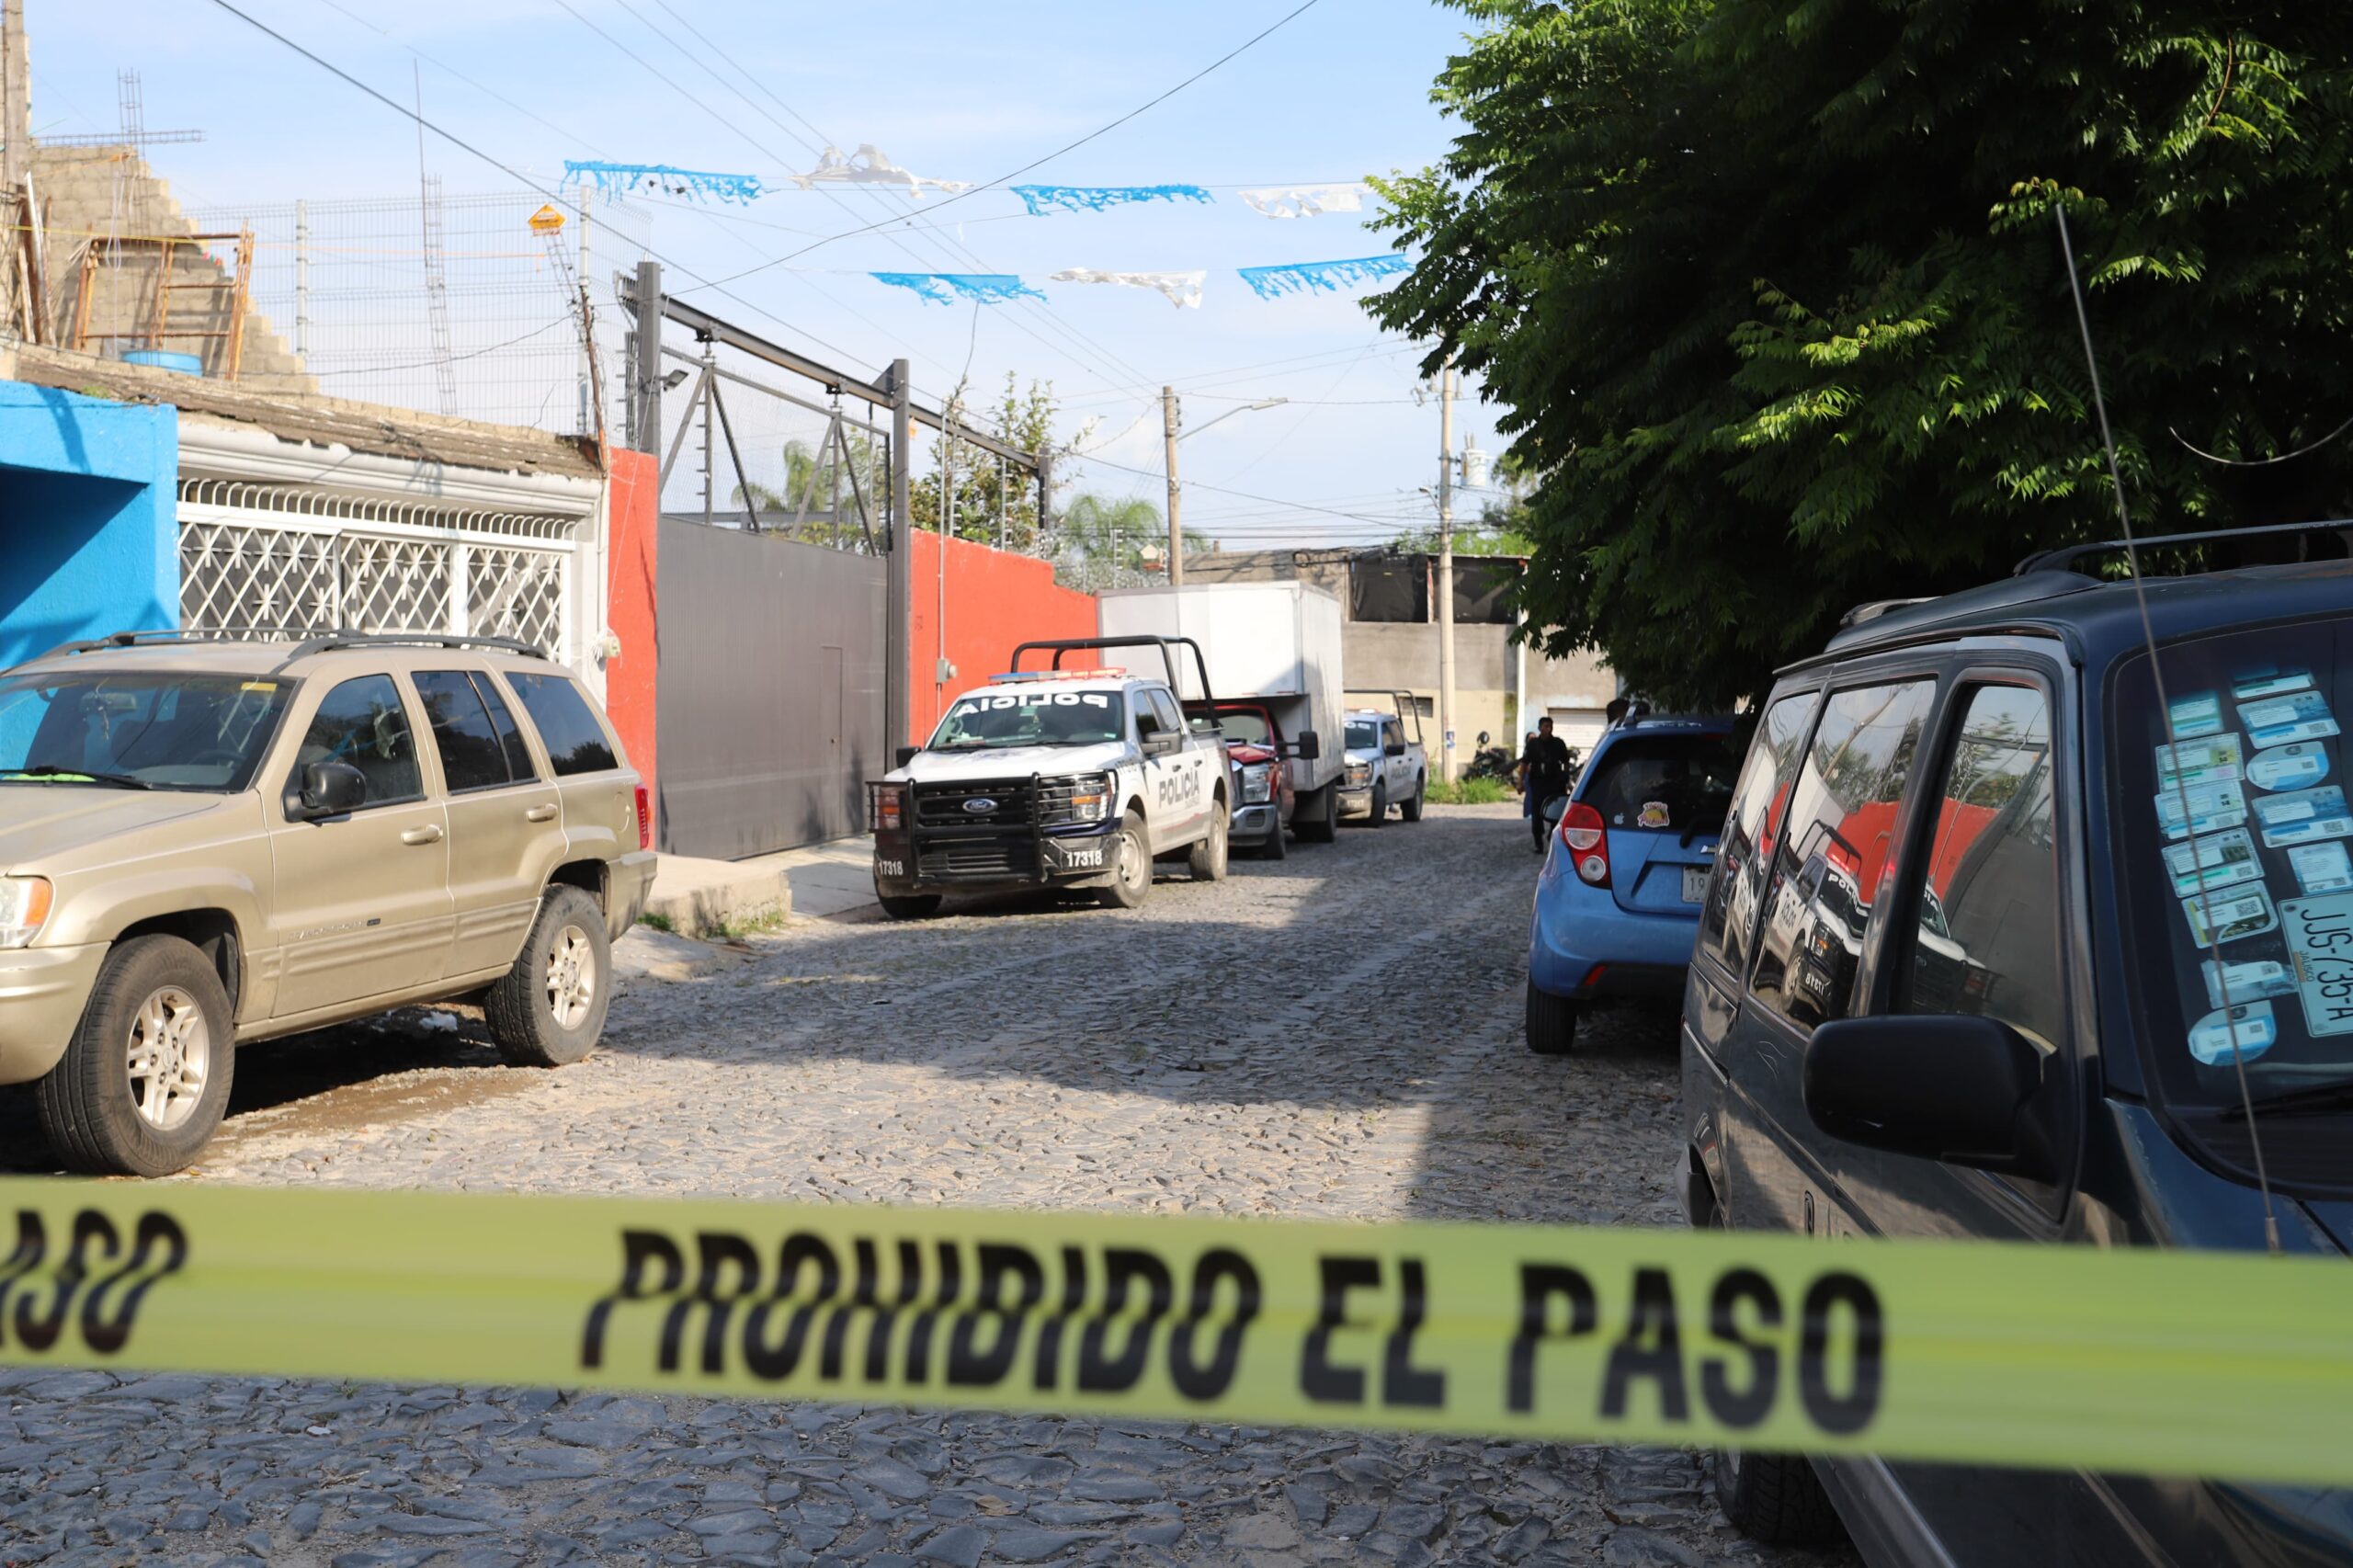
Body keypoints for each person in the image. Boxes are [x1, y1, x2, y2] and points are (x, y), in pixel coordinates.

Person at [1517, 717, 1574, 854]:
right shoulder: (1533, 744)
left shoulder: (1558, 743)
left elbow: (1566, 762)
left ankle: (1552, 836)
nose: (1548, 729)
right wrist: (1520, 781)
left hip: (1555, 783)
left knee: (1556, 812)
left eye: (1550, 726)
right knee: (1536, 814)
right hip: (1538, 783)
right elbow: (1524, 763)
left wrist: (1565, 778)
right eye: (1545, 726)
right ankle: (1538, 843)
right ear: (1539, 728)